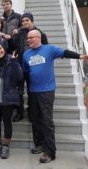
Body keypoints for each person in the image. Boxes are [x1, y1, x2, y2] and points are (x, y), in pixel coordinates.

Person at [23, 29, 88, 163]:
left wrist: (80, 56)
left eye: (31, 37)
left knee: (47, 122)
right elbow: (25, 72)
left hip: (47, 91)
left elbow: (64, 53)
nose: (28, 40)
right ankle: (40, 144)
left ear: (38, 37)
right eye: (27, 38)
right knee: (35, 119)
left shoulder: (49, 49)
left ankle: (50, 152)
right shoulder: (26, 54)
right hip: (33, 91)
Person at [9, 12, 48, 122]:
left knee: (32, 91)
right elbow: (14, 47)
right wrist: (13, 36)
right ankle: (19, 112)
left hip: (34, 67)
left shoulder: (40, 33)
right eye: (23, 21)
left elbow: (46, 50)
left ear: (32, 21)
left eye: (27, 20)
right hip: (21, 66)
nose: (25, 22)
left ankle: (32, 112)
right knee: (19, 91)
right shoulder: (20, 32)